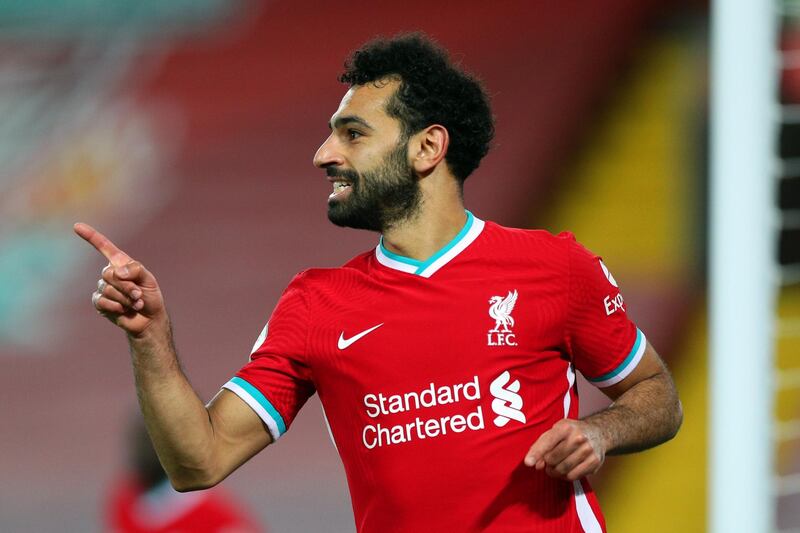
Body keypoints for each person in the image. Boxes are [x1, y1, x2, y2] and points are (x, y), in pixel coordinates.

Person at [76, 33, 682, 532]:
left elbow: (657, 395)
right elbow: (197, 463)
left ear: (427, 147)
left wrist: (601, 432)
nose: (323, 154)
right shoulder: (315, 304)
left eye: (353, 133)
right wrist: (150, 337)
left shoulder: (554, 268)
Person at [104, 416, 264, 533]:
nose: (142, 452)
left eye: (153, 444)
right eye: (142, 442)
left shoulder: (215, 515)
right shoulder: (124, 500)